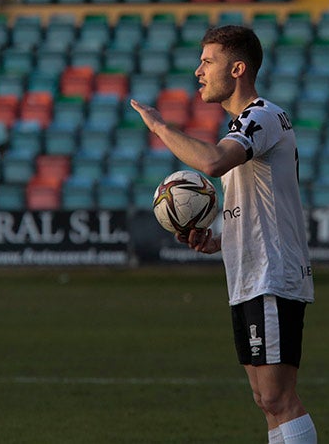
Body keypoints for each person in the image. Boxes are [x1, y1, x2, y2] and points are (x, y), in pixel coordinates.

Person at [131, 25, 317, 444]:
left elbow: (213, 163)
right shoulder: (247, 124)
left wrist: (160, 127)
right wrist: (221, 239)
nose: (198, 71)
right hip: (250, 270)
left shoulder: (261, 116)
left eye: (207, 61)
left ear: (237, 69)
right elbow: (259, 205)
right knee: (265, 399)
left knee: (278, 398)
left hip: (272, 274)